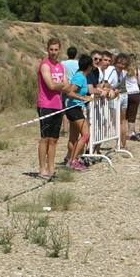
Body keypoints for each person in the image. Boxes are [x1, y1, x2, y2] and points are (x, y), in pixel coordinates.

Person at [35, 38, 75, 181]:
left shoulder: (60, 66)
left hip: (57, 105)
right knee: (44, 138)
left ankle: (51, 168)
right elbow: (51, 86)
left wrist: (62, 85)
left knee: (54, 139)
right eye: (51, 49)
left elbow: (66, 85)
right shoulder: (44, 65)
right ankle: (42, 169)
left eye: (56, 50)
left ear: (59, 50)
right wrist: (62, 85)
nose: (53, 52)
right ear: (47, 49)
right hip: (45, 104)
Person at [63, 53, 93, 171]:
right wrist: (83, 98)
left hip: (74, 108)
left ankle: (69, 159)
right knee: (86, 135)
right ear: (89, 66)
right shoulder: (80, 77)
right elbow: (70, 93)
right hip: (73, 108)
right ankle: (74, 160)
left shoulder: (80, 76)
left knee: (73, 138)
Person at [121, 53, 140, 142]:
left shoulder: (124, 70)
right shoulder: (136, 70)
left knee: (124, 115)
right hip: (135, 93)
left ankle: (123, 132)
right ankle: (131, 133)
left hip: (126, 93)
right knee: (132, 115)